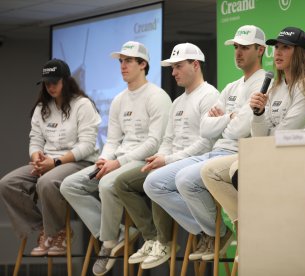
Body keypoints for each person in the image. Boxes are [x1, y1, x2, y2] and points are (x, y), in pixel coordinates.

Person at [144, 25, 267, 261]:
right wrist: (230, 117)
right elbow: (205, 127)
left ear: (260, 50)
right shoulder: (232, 86)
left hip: (235, 153)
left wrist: (223, 119)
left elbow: (241, 128)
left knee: (185, 179)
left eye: (245, 47)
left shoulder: (263, 82)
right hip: (216, 151)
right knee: (153, 183)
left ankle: (216, 234)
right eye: (236, 47)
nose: (238, 52)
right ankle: (214, 231)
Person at [60, 41, 172, 276]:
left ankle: (108, 245)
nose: (122, 65)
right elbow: (112, 140)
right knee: (70, 185)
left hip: (145, 162)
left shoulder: (157, 96)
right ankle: (118, 232)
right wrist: (104, 159)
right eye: (121, 61)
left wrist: (117, 163)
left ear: (143, 64)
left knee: (108, 183)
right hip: (118, 160)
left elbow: (154, 142)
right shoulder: (119, 99)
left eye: (128, 60)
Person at [201, 26, 305, 229]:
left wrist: (266, 129)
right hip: (268, 150)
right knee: (208, 171)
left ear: (299, 52)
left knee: (237, 168)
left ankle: (260, 228)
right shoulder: (275, 86)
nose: (278, 52)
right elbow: (259, 135)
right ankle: (247, 226)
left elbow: (287, 132)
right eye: (276, 47)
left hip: (294, 153)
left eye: (285, 47)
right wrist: (258, 113)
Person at [114, 43, 219, 269]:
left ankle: (175, 238)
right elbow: (168, 140)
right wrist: (159, 157)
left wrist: (167, 160)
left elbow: (206, 143)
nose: (173, 73)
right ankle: (160, 237)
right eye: (172, 68)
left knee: (157, 179)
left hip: (197, 162)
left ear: (195, 65)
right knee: (124, 181)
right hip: (174, 163)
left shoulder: (209, 95)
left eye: (178, 66)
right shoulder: (178, 101)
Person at [0, 59, 101, 256]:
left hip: (78, 162)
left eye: (54, 82)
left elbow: (87, 145)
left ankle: (59, 234)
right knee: (7, 184)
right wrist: (36, 156)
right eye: (47, 83)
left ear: (66, 81)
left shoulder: (82, 105)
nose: (50, 87)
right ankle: (44, 231)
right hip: (48, 162)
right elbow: (35, 139)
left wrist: (54, 162)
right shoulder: (42, 108)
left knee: (46, 182)